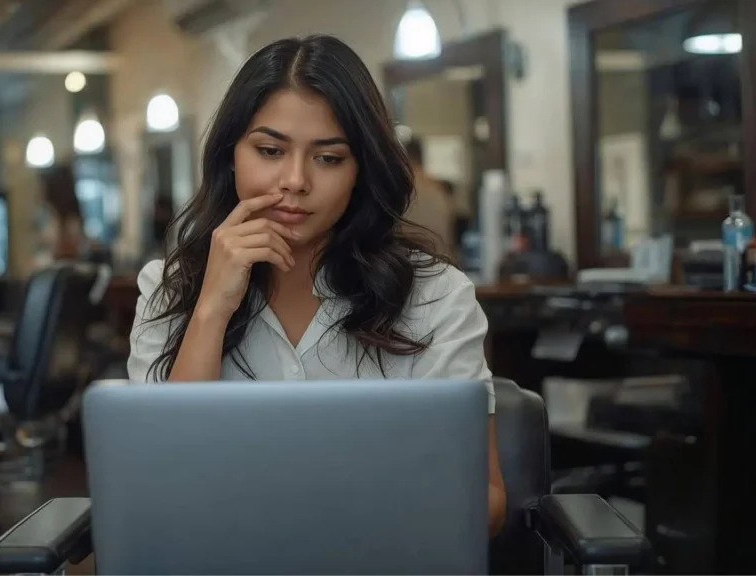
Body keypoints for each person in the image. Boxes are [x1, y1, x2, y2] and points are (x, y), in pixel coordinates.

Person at [127, 35, 506, 536]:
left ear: (360, 170)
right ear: (230, 155)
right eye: (269, 150)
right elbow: (160, 483)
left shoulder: (435, 294)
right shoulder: (170, 288)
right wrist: (211, 310)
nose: (295, 180)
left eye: (328, 158)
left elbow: (486, 501)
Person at [403, 137, 457, 257]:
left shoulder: (400, 189)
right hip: (441, 259)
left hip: (410, 261)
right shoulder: (439, 188)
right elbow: (452, 234)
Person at [30, 164, 86, 271]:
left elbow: (69, 252)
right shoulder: (50, 216)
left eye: (43, 187)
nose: (40, 191)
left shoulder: (70, 222)